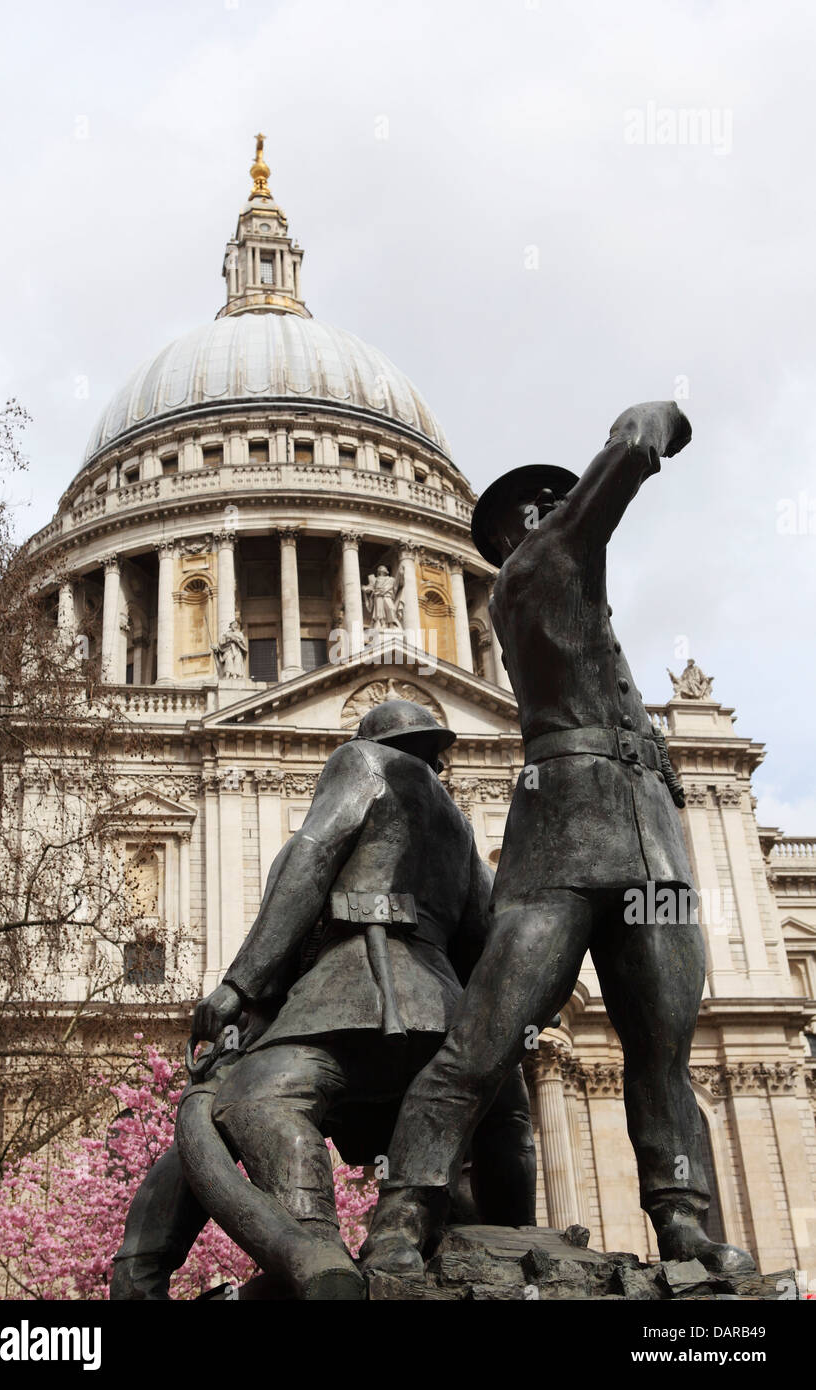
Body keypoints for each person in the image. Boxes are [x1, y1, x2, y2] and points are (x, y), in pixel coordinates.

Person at [360, 402, 756, 1278]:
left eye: (555, 502)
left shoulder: (585, 603)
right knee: (488, 1033)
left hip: (648, 833)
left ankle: (681, 1222)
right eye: (535, 508)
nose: (549, 513)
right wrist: (640, 434)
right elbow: (597, 507)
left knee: (662, 1052)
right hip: (561, 842)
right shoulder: (534, 571)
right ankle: (406, 1206)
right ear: (512, 533)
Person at [113, 699, 536, 1300]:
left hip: (360, 996)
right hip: (443, 1016)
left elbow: (311, 858)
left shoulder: (363, 762)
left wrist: (241, 984)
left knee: (252, 1099)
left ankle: (313, 1245)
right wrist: (493, 1038)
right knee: (495, 1121)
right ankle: (506, 1247)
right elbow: (485, 936)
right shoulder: (460, 826)